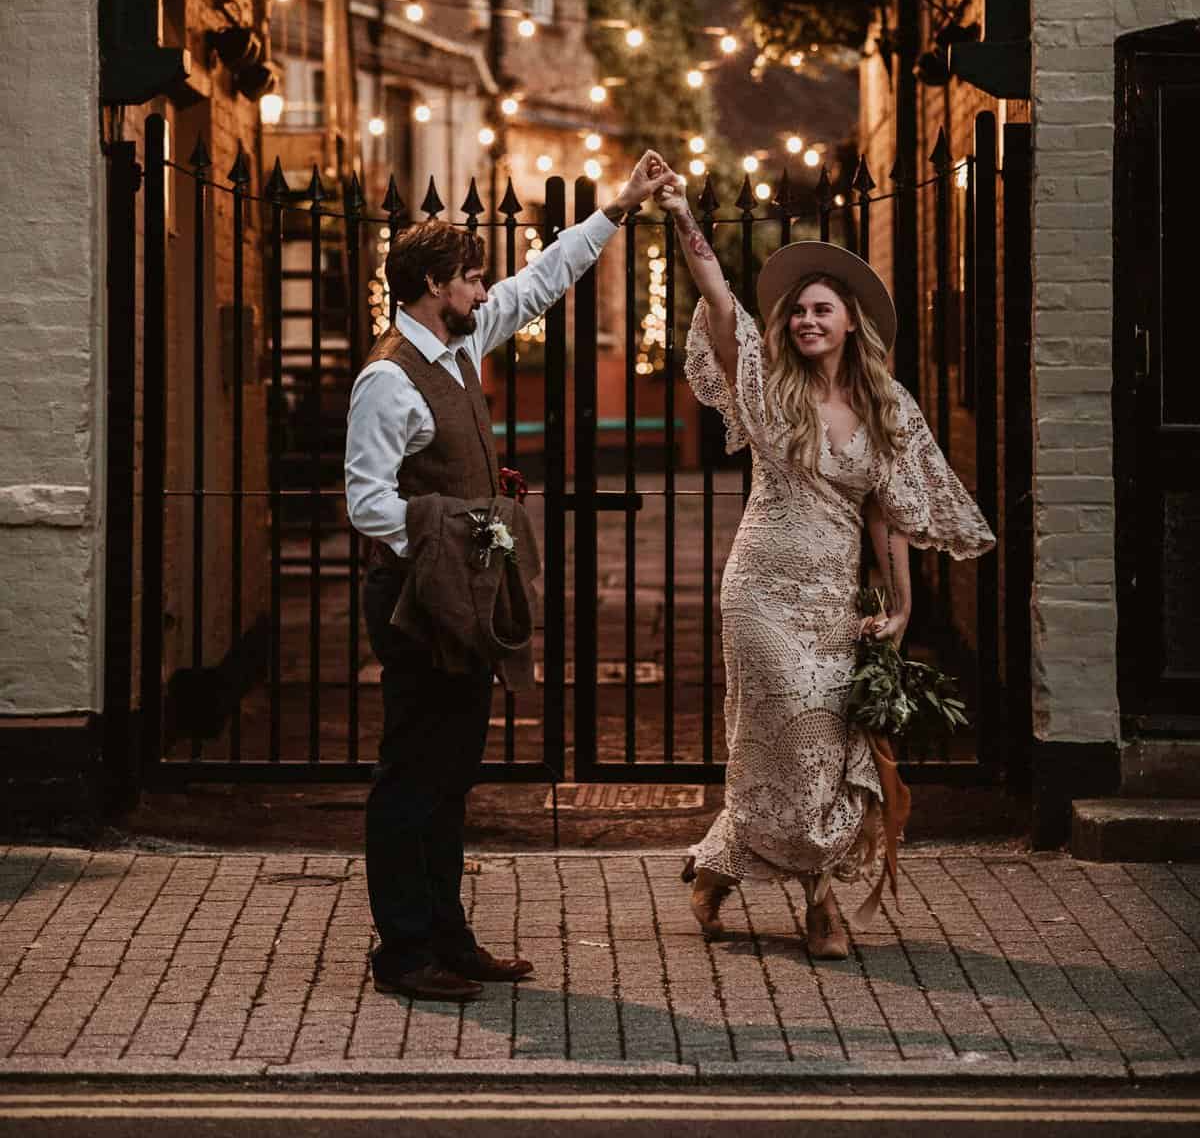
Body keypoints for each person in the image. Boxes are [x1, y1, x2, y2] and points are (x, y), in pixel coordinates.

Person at [345, 149, 668, 1004]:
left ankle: (448, 938)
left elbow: (540, 281)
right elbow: (367, 504)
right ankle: (402, 953)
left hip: (462, 591)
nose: (485, 291)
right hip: (418, 598)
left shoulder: (457, 346)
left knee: (452, 772)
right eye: (470, 279)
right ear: (428, 285)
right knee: (411, 772)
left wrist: (619, 208)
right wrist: (456, 531)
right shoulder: (388, 378)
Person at [653, 170, 995, 961]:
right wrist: (681, 217)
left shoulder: (887, 405)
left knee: (824, 749)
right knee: (785, 743)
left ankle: (715, 868)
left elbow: (892, 515)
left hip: (835, 599)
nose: (806, 320)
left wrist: (902, 610)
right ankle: (819, 907)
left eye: (821, 310)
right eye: (798, 310)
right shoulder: (770, 386)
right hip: (762, 592)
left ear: (849, 324)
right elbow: (719, 302)